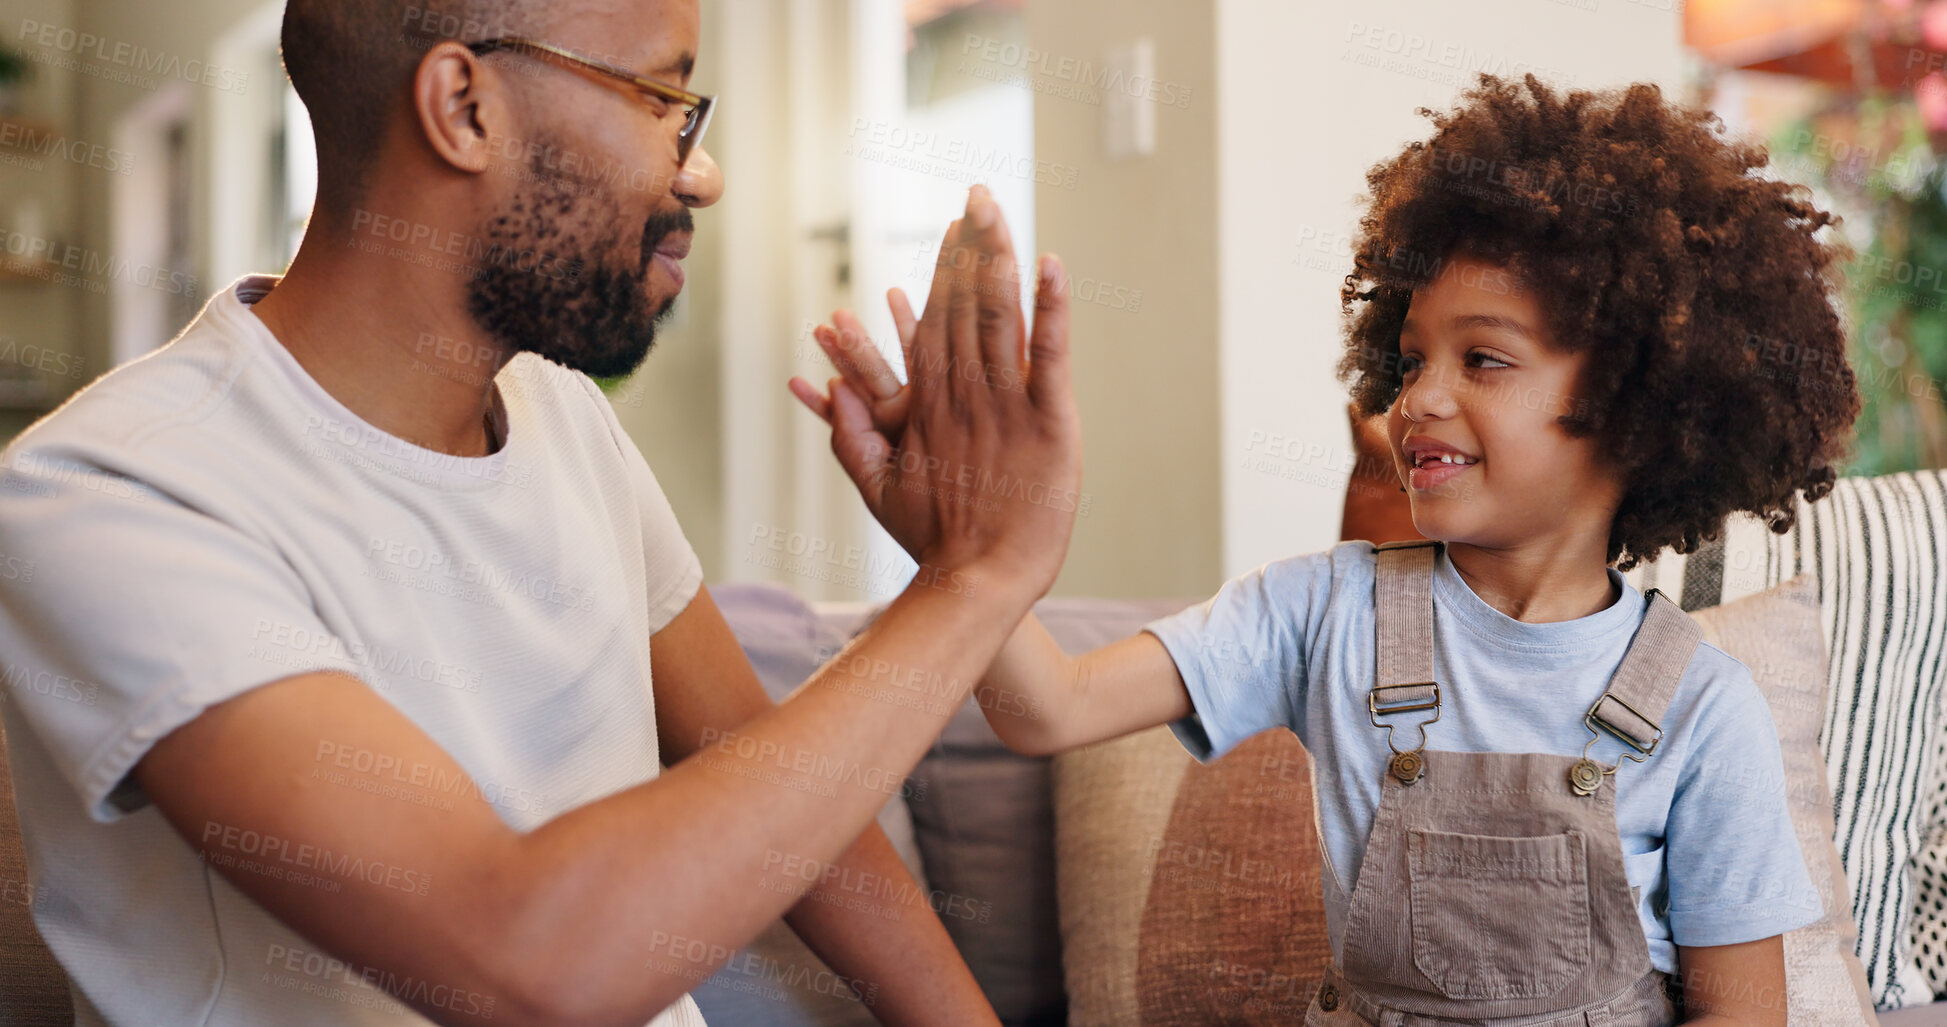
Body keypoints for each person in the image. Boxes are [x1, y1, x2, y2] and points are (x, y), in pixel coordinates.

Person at [0, 0, 1080, 1023]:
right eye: (664, 99)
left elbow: (770, 774)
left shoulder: (561, 415)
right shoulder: (108, 494)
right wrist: (970, 583)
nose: (701, 174)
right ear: (465, 109)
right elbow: (524, 966)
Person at [798, 75, 1861, 1025]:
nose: (1418, 401)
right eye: (1409, 359)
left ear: (1638, 409)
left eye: (1483, 359)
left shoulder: (1705, 708)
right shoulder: (1321, 612)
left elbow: (1741, 1011)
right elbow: (1048, 710)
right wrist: (961, 548)